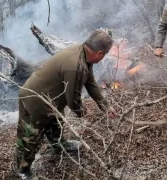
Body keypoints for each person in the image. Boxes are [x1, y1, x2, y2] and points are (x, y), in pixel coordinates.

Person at [14, 30, 117, 180]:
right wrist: (83, 114)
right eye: (105, 55)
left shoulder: (84, 55)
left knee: (56, 121)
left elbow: (91, 84)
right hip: (34, 100)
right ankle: (21, 170)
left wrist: (105, 106)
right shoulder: (75, 65)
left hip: (51, 99)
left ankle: (58, 145)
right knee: (30, 137)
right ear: (100, 53)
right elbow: (73, 100)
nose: (103, 58)